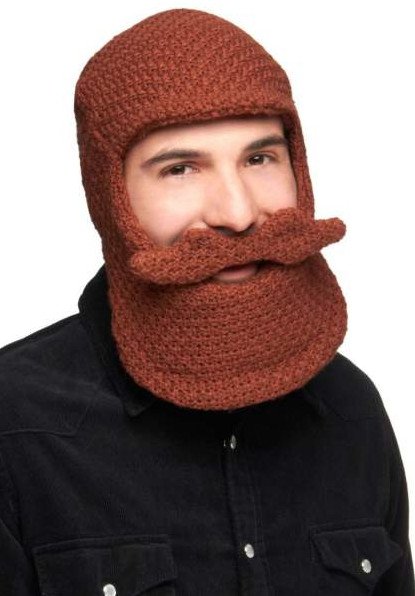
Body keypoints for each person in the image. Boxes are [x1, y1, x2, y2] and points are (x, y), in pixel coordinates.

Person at [0, 8, 413, 595]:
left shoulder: (352, 408)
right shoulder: (15, 421)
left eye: (259, 158)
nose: (238, 214)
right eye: (180, 169)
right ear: (108, 199)